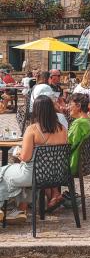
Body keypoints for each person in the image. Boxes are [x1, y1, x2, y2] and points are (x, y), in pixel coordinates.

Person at [0, 95, 67, 223]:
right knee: (19, 178)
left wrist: (18, 153)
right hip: (55, 175)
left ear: (36, 110)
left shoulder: (32, 129)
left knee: (3, 172)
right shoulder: (62, 129)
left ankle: (3, 207)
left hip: (33, 175)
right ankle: (20, 209)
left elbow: (25, 157)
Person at [68, 93, 90, 176]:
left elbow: (68, 145)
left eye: (70, 104)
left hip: (74, 164)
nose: (68, 107)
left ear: (78, 106)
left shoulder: (78, 123)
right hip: (87, 165)